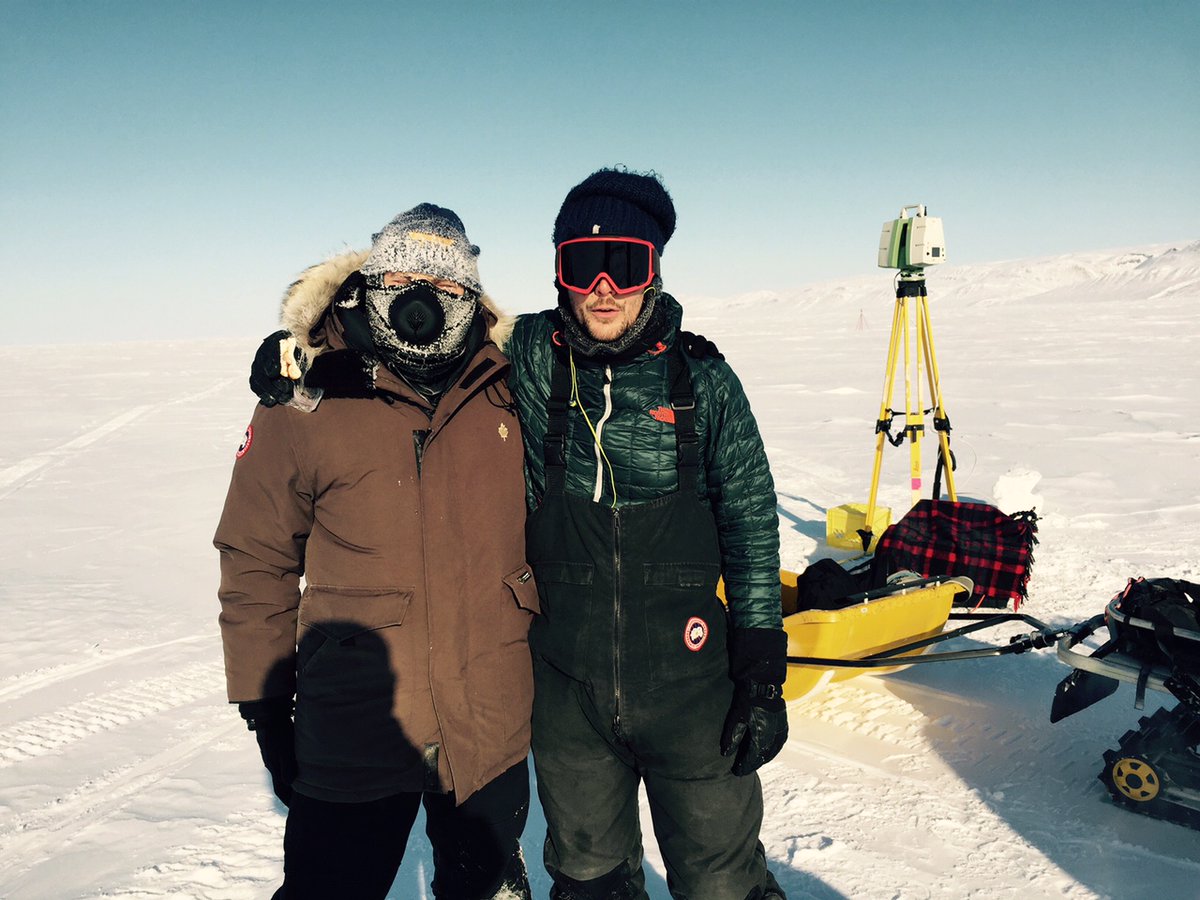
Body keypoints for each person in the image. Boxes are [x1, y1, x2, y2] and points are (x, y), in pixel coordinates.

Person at [250, 171, 789, 900]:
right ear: (559, 275)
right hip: (569, 695)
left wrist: (760, 667)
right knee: (590, 879)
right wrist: (311, 350)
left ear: (654, 269)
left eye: (625, 263)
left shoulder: (703, 381)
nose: (603, 287)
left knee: (721, 881)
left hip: (692, 689)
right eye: (580, 265)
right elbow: (429, 337)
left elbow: (752, 523)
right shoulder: (532, 355)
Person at [215, 204, 538, 900]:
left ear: (472, 298)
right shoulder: (306, 391)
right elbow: (255, 554)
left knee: (484, 887)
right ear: (367, 280)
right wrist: (266, 702)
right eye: (399, 275)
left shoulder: (515, 383)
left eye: (446, 286)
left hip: (488, 721)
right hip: (356, 727)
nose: (420, 300)